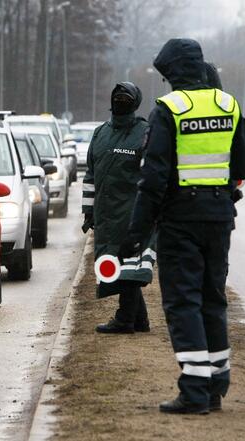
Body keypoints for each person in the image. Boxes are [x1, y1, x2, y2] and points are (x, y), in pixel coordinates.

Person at [120, 39, 245, 414]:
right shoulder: (229, 104)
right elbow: (243, 166)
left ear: (172, 72)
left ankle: (194, 391)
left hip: (180, 222)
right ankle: (215, 385)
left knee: (183, 303)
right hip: (220, 219)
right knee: (213, 299)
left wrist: (136, 232)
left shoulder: (170, 109)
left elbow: (153, 177)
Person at [81, 82, 154, 334]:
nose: (120, 100)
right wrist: (88, 211)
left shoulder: (145, 132)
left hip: (133, 214)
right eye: (117, 96)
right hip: (105, 215)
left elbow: (153, 175)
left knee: (130, 265)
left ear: (135, 102)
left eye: (126, 97)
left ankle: (124, 320)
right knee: (118, 265)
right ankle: (139, 320)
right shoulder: (101, 133)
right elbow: (90, 175)